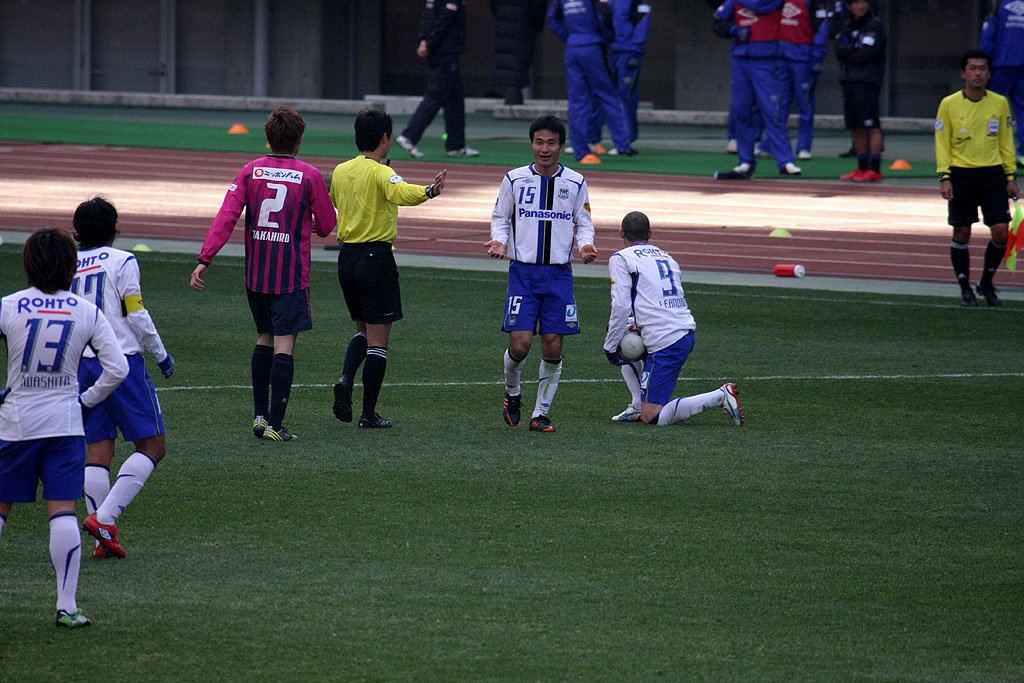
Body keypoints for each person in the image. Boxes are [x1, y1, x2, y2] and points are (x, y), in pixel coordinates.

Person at [0, 228, 128, 628]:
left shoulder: (8, 306)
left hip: (16, 424)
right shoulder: (86, 311)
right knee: (63, 512)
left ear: (28, 264)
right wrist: (85, 400)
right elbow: (118, 368)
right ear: (71, 268)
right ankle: (67, 607)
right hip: (64, 425)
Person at [191, 107, 337, 442]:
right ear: (298, 142)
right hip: (291, 274)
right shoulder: (310, 175)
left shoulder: (250, 171)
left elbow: (226, 216)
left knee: (264, 338)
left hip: (257, 273)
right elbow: (327, 226)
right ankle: (276, 424)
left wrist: (205, 259)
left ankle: (259, 416)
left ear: (269, 139)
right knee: (285, 344)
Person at [330, 109, 448, 429]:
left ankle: (345, 378)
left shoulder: (341, 171)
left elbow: (335, 202)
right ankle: (368, 413)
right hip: (375, 258)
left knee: (362, 330)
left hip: (346, 259)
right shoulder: (382, 173)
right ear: (384, 138)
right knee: (378, 341)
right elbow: (402, 192)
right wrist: (430, 190)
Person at [70, 197, 174, 560]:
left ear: (77, 232)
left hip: (82, 365)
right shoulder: (122, 261)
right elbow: (136, 314)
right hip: (121, 361)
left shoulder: (68, 263)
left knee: (98, 449)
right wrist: (160, 354)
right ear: (114, 230)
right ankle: (106, 518)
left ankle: (101, 540)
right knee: (153, 446)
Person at [485, 115, 598, 433]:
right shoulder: (514, 179)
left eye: (551, 143)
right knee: (520, 345)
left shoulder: (575, 182)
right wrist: (499, 240)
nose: (544, 149)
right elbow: (500, 216)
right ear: (531, 144)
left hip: (558, 275)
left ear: (561, 146)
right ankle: (512, 392)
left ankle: (541, 413)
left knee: (553, 345)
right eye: (539, 142)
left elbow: (583, 221)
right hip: (523, 274)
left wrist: (585, 245)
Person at [603, 211, 744, 427]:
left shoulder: (621, 258)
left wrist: (609, 346)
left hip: (666, 340)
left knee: (653, 417)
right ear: (650, 234)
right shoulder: (666, 256)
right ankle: (636, 405)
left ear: (621, 233)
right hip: (680, 328)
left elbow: (621, 304)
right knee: (627, 331)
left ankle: (719, 396)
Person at [935, 49, 1019, 307]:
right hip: (961, 174)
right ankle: (964, 288)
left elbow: (1006, 141)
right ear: (963, 73)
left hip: (992, 174)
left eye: (982, 69)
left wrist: (1011, 175)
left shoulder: (999, 103)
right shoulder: (949, 104)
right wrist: (945, 176)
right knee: (962, 233)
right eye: (972, 68)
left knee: (1001, 233)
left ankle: (986, 281)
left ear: (989, 73)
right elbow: (942, 142)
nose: (978, 73)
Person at [713, 0, 802, 179]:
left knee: (772, 111)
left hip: (767, 59)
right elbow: (717, 24)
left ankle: (785, 161)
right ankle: (746, 161)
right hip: (741, 59)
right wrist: (734, 30)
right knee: (742, 110)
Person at [548, 0, 636, 164]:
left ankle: (581, 150)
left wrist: (570, 37)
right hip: (593, 47)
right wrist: (604, 37)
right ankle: (622, 143)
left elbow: (552, 19)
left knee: (577, 102)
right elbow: (603, 16)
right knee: (608, 95)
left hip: (573, 48)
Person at [395, 0, 479, 160]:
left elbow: (428, 17)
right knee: (436, 95)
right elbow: (444, 19)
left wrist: (424, 40)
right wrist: (429, 43)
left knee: (455, 100)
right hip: (445, 52)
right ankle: (409, 136)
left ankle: (456, 145)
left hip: (442, 51)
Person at [833, 0, 886, 183]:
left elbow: (866, 53)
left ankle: (874, 169)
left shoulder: (874, 25)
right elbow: (839, 49)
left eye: (863, 2)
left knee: (871, 125)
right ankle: (862, 168)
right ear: (849, 6)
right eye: (855, 2)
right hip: (848, 81)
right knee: (855, 126)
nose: (860, 6)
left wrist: (850, 49)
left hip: (867, 82)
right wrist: (853, 48)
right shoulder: (847, 24)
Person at [779, 0, 831, 160]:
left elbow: (821, 30)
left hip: (803, 59)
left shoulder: (815, 3)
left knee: (805, 104)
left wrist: (816, 57)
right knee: (778, 104)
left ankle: (804, 147)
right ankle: (774, 144)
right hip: (781, 57)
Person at [981, 0, 1024, 168]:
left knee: (991, 107)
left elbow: (988, 38)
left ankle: (989, 150)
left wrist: (984, 63)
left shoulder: (998, 6)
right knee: (1022, 110)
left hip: (1002, 64)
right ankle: (1022, 154)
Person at [490, 0, 548, 105]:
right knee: (518, 65)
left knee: (511, 63)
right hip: (524, 24)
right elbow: (538, 8)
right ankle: (513, 99)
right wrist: (537, 24)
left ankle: (513, 97)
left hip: (505, 22)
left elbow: (493, 5)